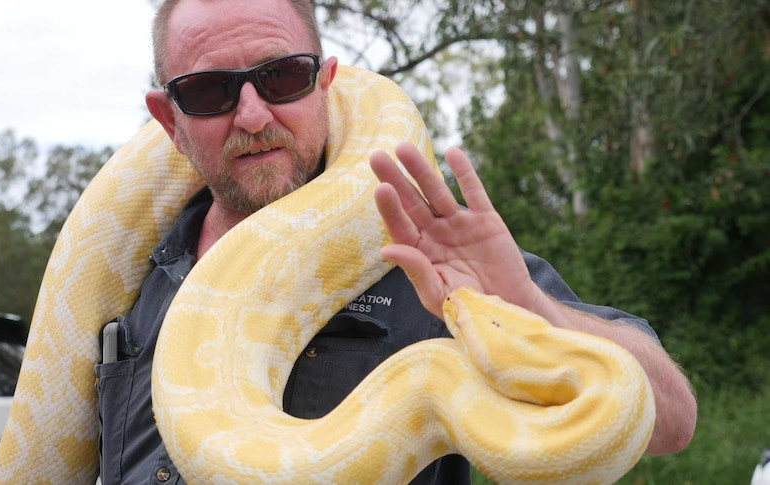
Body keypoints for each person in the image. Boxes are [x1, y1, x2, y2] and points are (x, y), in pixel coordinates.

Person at [94, 0, 697, 483]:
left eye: (282, 77)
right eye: (207, 91)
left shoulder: (436, 269)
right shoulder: (127, 273)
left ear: (326, 84)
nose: (253, 116)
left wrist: (526, 303)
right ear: (169, 121)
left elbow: (670, 420)